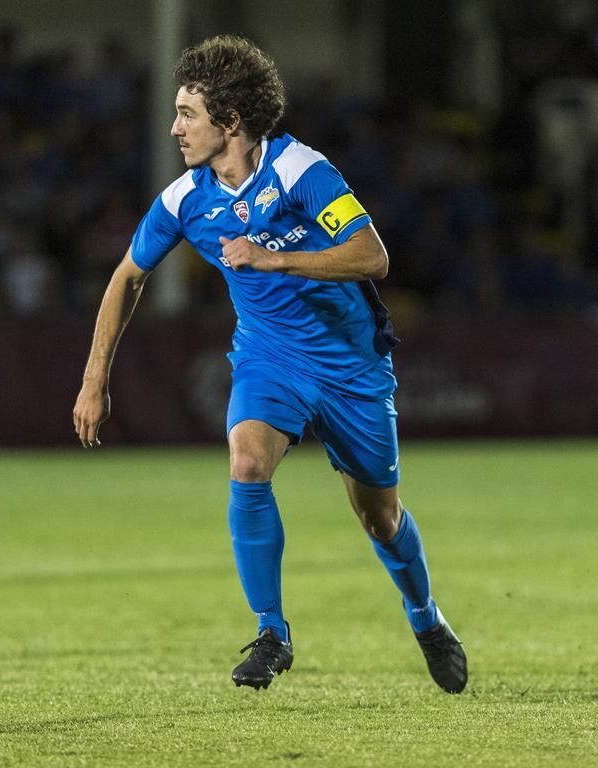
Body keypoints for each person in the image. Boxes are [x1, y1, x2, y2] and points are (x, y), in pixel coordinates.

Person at [72, 36, 467, 694]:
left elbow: (373, 257)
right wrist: (93, 380)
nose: (175, 128)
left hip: (350, 363)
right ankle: (271, 632)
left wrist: (273, 257)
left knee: (380, 517)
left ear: (229, 121)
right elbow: (127, 277)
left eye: (187, 114)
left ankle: (426, 618)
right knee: (248, 462)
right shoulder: (184, 200)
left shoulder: (302, 172)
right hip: (269, 355)